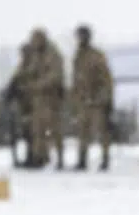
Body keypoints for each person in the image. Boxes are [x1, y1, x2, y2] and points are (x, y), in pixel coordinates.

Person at [18, 28, 68, 170]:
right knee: (37, 130)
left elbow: (55, 76)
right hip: (37, 100)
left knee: (55, 130)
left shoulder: (53, 54)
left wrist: (36, 85)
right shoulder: (35, 55)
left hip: (51, 100)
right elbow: (28, 72)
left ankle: (60, 159)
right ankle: (38, 157)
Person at [71, 25, 115, 170]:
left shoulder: (96, 56)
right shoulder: (78, 56)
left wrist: (103, 98)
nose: (79, 39)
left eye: (82, 36)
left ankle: (105, 159)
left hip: (97, 101)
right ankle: (82, 160)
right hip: (83, 101)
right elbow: (76, 79)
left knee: (101, 131)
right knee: (82, 132)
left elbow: (105, 78)